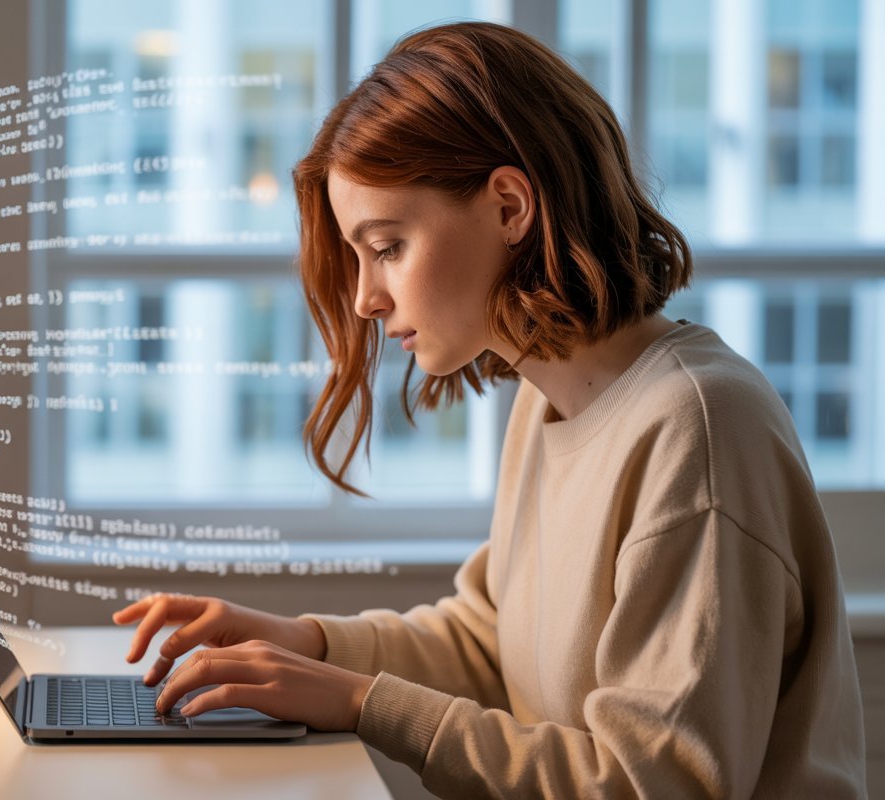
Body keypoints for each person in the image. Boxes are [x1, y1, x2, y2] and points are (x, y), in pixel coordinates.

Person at [112, 21, 867, 798]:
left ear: (510, 206)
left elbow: (656, 783)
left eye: (388, 246)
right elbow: (488, 642)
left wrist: (359, 701)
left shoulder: (698, 429)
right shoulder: (548, 404)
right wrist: (308, 647)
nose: (367, 299)